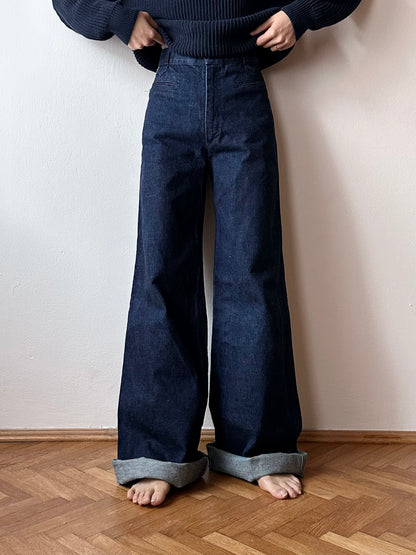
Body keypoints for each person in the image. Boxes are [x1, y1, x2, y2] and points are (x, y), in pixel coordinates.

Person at [52, 0, 362, 507]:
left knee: (252, 269)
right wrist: (116, 18)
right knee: (161, 270)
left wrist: (303, 12)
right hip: (171, 80)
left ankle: (257, 448)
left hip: (244, 82)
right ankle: (157, 453)